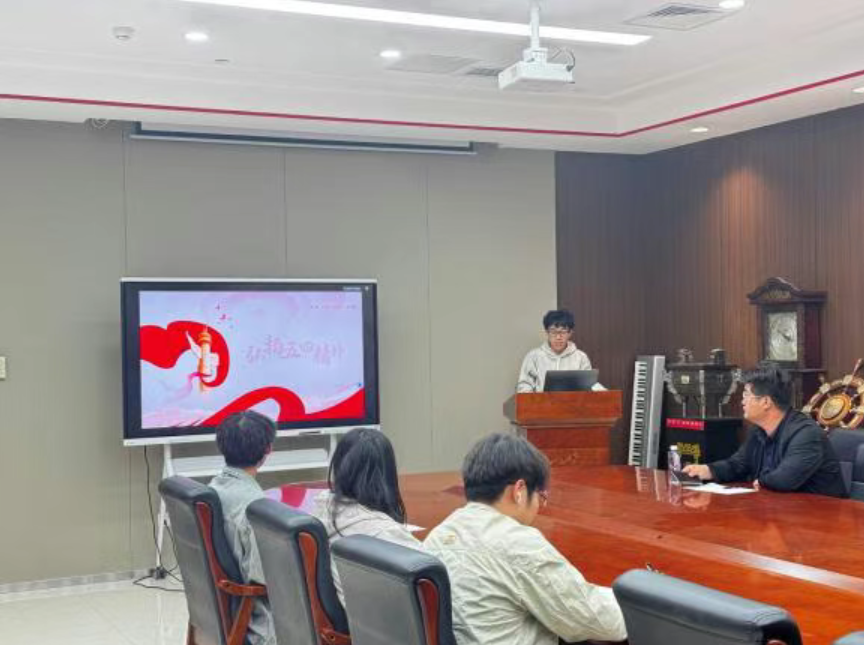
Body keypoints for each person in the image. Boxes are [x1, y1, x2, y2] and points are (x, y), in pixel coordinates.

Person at [424, 433, 627, 645]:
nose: (539, 507)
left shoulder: (438, 536)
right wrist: (634, 601)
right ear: (519, 490)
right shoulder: (519, 544)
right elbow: (597, 620)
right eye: (541, 496)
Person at [683, 363, 847, 498]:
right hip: (781, 513)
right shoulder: (758, 431)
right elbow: (738, 464)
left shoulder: (806, 434)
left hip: (821, 518)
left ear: (766, 402)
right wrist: (708, 470)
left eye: (746, 395)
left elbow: (785, 480)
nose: (742, 402)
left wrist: (761, 482)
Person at [312, 427, 422, 604]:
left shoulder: (320, 512)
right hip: (383, 619)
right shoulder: (385, 535)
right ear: (387, 473)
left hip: (356, 616)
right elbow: (434, 584)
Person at [209, 410, 277, 645]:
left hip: (220, 614)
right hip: (257, 625)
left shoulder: (213, 489)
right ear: (268, 450)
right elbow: (263, 579)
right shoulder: (255, 509)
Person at [517, 309, 601, 393]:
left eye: (563, 332)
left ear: (570, 333)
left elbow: (588, 387)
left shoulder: (581, 357)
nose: (558, 337)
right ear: (547, 332)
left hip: (573, 401)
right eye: (553, 332)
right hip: (541, 401)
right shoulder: (533, 356)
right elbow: (524, 386)